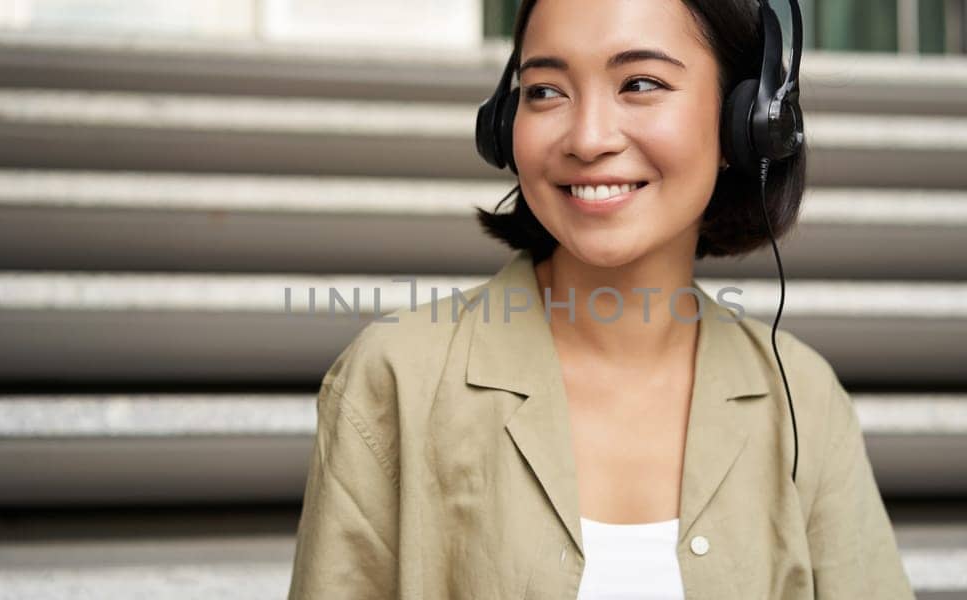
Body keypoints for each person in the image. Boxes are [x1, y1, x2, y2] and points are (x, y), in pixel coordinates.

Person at [287, 0, 914, 597]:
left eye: (640, 84)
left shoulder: (802, 397)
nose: (587, 139)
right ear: (505, 127)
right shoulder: (395, 379)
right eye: (545, 91)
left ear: (747, 122)